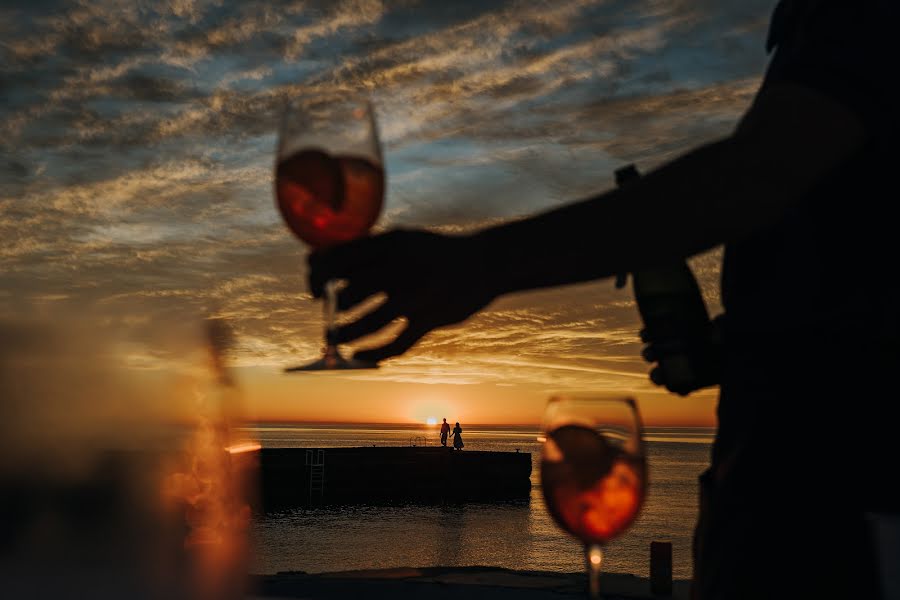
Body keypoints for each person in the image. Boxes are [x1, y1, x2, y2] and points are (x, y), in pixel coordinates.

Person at [309, 3, 899, 598]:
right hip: (781, 479)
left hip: (836, 490)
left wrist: (478, 264)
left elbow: (758, 172)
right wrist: (738, 343)